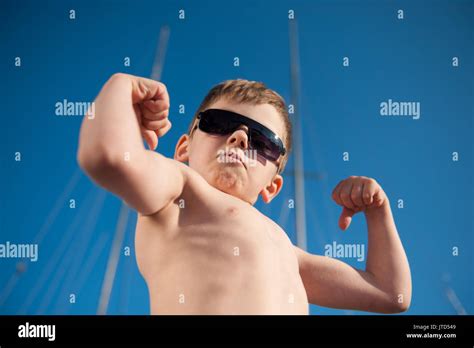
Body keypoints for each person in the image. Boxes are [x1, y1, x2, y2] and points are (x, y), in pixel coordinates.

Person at [77, 73, 412, 314]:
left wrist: (378, 211)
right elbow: (105, 156)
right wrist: (120, 86)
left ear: (272, 186)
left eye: (263, 141)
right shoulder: (179, 188)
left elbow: (389, 293)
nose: (238, 138)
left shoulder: (289, 253)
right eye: (220, 123)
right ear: (183, 148)